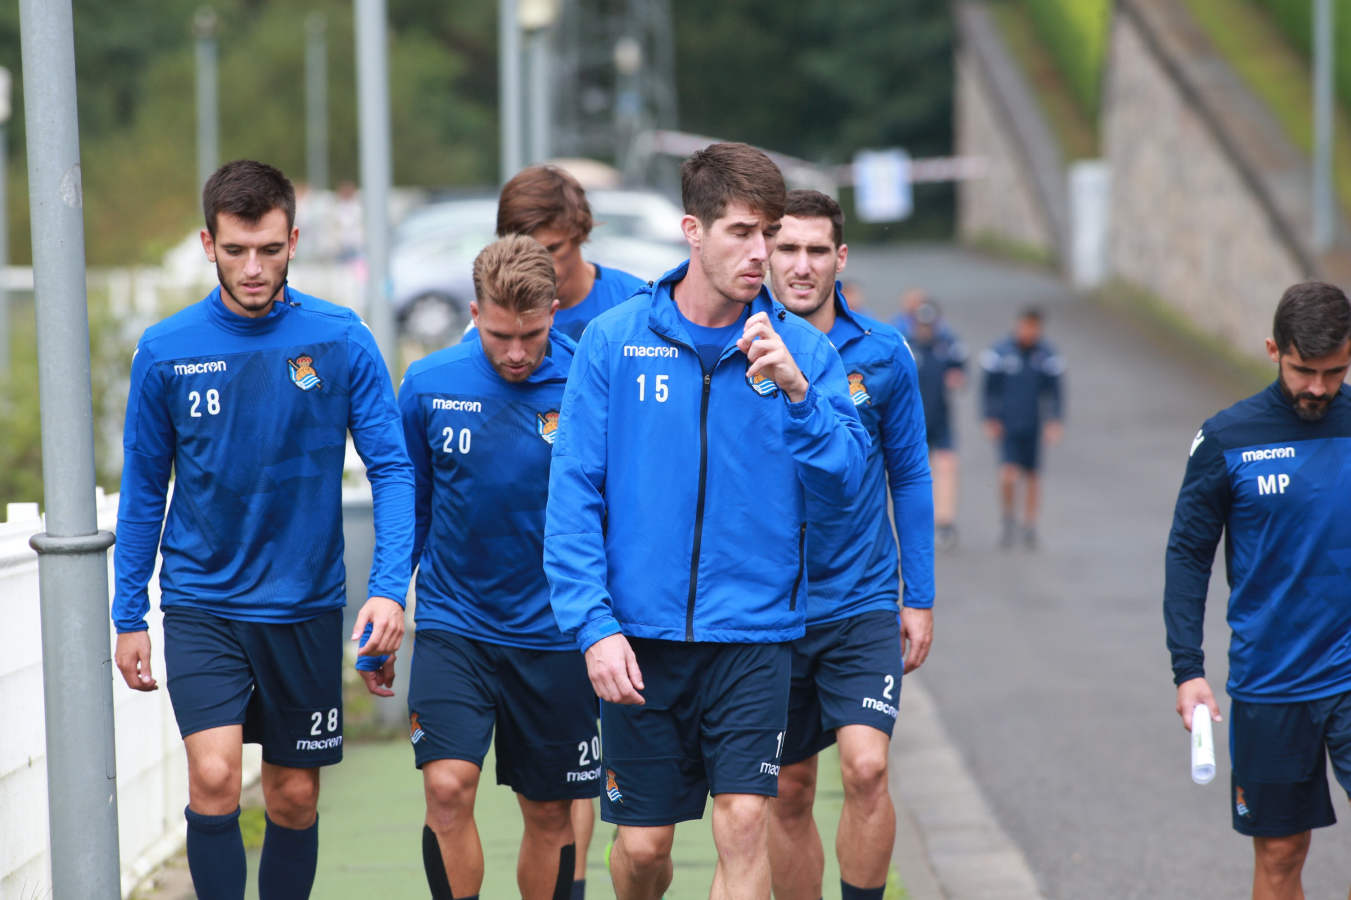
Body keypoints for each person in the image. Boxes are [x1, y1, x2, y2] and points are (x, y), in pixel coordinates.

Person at [544, 142, 868, 900]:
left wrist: (798, 395)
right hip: (640, 640)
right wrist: (593, 626)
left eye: (770, 234)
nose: (763, 255)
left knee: (745, 825)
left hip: (754, 636)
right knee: (646, 850)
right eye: (741, 233)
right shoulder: (614, 342)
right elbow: (574, 497)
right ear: (693, 231)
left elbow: (849, 486)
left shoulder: (805, 351)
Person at [111, 160, 414, 900]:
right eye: (237, 250)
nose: (254, 268)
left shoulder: (339, 339)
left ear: (294, 241)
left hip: (304, 605)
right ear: (208, 243)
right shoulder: (166, 349)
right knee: (213, 776)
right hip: (201, 602)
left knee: (293, 798)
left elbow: (394, 470)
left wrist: (387, 589)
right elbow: (145, 488)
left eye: (270, 250)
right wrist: (128, 613)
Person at [394, 234, 595, 900]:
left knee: (547, 811)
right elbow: (410, 507)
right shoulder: (428, 384)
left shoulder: (590, 384)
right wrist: (389, 597)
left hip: (558, 633)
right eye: (500, 334)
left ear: (554, 312)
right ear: (475, 314)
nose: (515, 352)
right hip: (456, 626)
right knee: (447, 789)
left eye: (531, 335)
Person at [765, 189, 934, 900]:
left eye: (814, 251)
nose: (800, 266)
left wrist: (918, 597)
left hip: (859, 595)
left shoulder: (883, 353)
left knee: (866, 768)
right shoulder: (741, 346)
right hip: (767, 604)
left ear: (839, 258)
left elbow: (911, 476)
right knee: (789, 787)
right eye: (786, 250)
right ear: (764, 255)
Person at [1165, 281, 1351, 900]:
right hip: (1271, 683)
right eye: (1304, 371)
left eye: (1335, 371)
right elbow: (1189, 555)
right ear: (1275, 350)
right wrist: (1187, 669)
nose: (1319, 388)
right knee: (1279, 855)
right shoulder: (1227, 439)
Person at [497, 163, 645, 892]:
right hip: (532, 575)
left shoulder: (635, 310)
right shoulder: (507, 327)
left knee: (619, 768)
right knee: (561, 782)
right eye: (522, 246)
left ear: (579, 236)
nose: (539, 266)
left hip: (624, 570)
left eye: (551, 248)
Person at [497, 164, 646, 343]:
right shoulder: (497, 316)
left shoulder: (634, 304)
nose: (542, 264)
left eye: (553, 248)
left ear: (579, 232)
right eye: (527, 251)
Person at [979, 307, 1064, 548]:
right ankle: (1008, 518)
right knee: (1008, 473)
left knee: (1033, 476)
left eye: (1033, 328)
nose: (1028, 332)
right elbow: (988, 389)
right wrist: (990, 417)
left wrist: (1054, 421)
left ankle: (1030, 524)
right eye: (1025, 326)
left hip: (1033, 423)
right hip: (1008, 423)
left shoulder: (1046, 355)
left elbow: (1056, 391)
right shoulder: (1000, 352)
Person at [909, 299, 968, 550]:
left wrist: (957, 378)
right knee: (913, 475)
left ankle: (945, 523)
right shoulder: (906, 348)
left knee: (946, 467)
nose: (925, 329)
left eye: (929, 324)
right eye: (921, 324)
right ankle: (915, 525)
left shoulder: (948, 346)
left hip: (940, 418)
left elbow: (962, 372)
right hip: (911, 423)